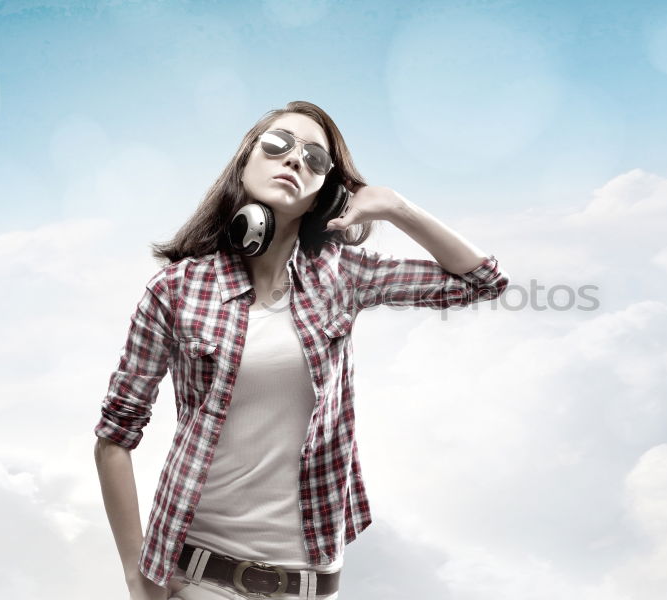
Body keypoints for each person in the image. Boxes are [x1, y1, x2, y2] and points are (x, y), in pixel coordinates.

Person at [93, 100, 510, 600]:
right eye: (277, 145)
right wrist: (137, 575)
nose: (295, 160)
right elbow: (114, 437)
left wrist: (396, 206)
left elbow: (483, 282)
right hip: (200, 576)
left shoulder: (344, 277)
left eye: (315, 158)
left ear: (322, 195)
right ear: (245, 161)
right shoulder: (176, 290)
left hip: (312, 584)